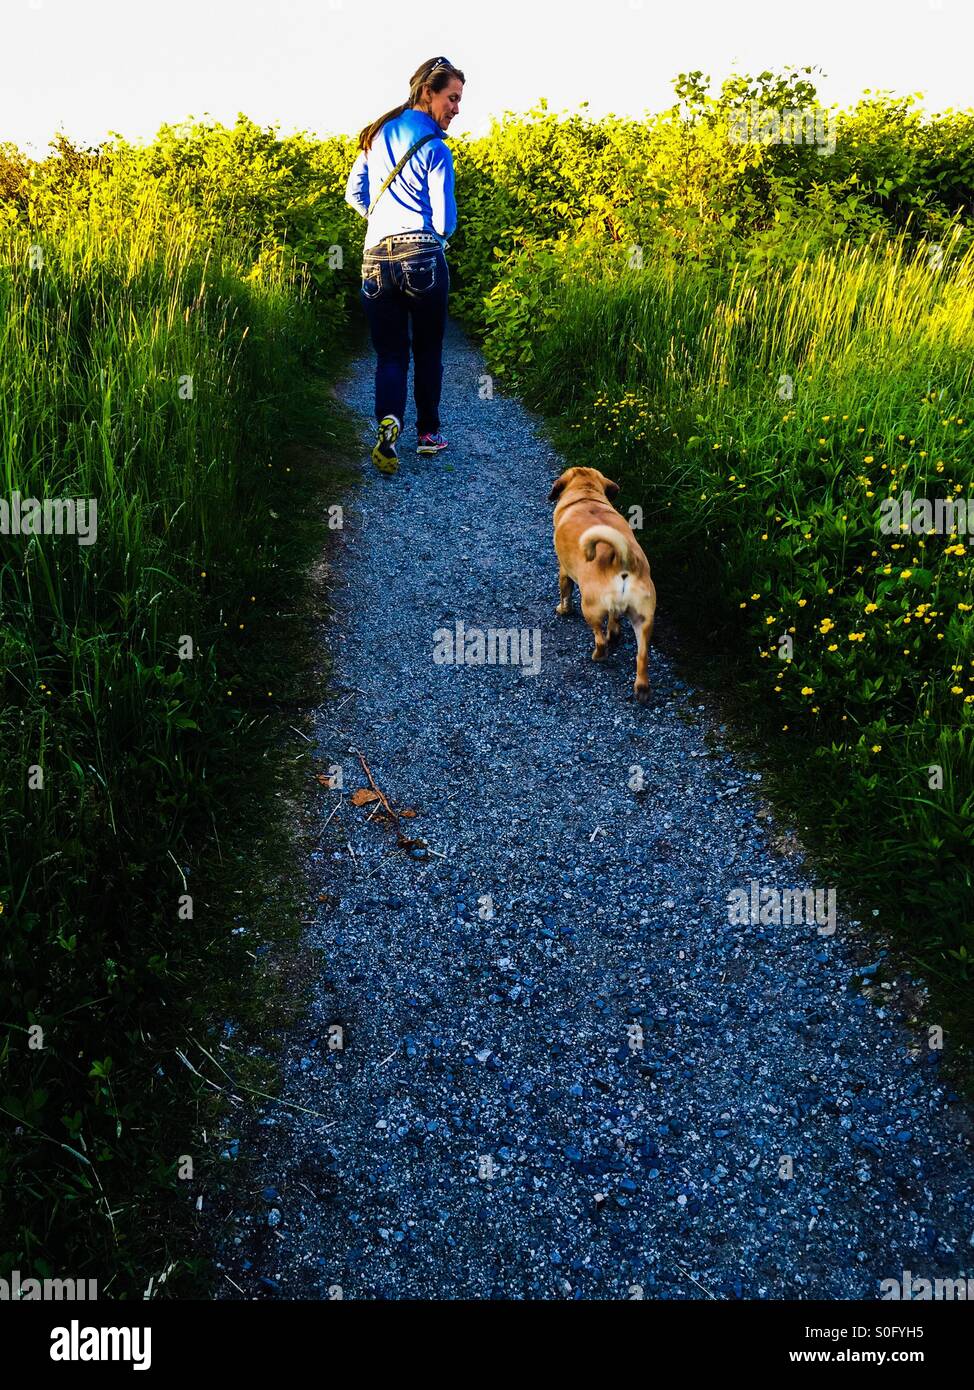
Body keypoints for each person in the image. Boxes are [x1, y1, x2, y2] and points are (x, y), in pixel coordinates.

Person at [345, 56, 464, 475]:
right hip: (422, 255)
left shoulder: (375, 136)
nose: (456, 108)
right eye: (451, 98)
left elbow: (353, 194)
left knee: (390, 354)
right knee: (428, 349)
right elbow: (446, 219)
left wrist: (380, 223)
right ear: (428, 93)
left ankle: (387, 422)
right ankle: (428, 435)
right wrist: (434, 238)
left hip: (375, 256)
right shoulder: (436, 149)